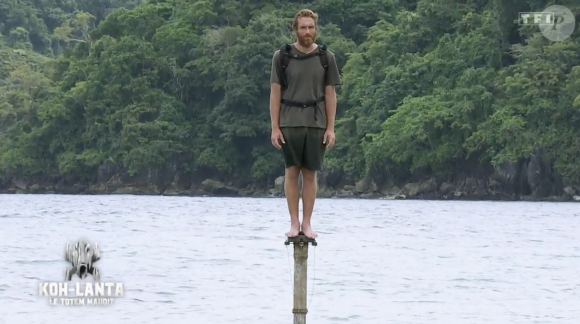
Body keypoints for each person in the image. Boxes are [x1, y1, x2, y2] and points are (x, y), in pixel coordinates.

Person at [269, 9, 341, 239]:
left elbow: (330, 95)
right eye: (303, 27)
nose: (307, 31)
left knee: (310, 174)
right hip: (289, 121)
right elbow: (274, 93)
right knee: (291, 172)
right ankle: (294, 223)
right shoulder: (282, 56)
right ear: (296, 29)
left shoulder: (326, 57)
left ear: (316, 28)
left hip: (316, 122)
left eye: (311, 27)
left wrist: (331, 128)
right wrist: (275, 127)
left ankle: (307, 224)